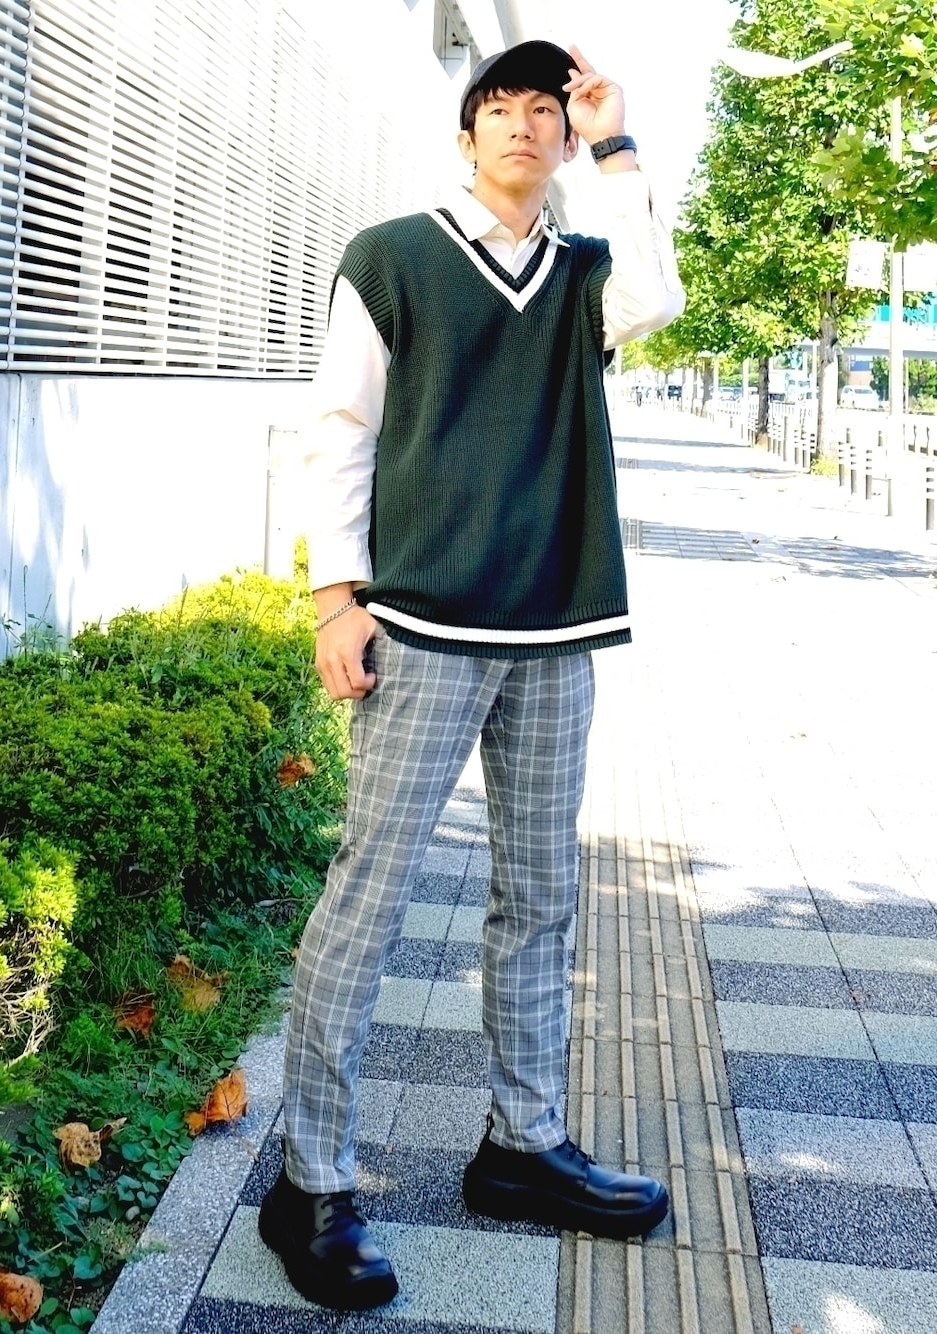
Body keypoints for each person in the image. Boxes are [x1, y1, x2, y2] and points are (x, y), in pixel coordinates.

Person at [258, 39, 685, 1311]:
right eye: (498, 107)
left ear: (562, 138)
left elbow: (655, 298)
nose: (522, 124)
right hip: (422, 622)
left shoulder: (587, 270)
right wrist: (335, 598)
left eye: (544, 110)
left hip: (554, 628)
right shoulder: (393, 257)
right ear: (465, 136)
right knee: (369, 896)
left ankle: (522, 1144)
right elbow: (338, 431)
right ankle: (311, 1180)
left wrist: (617, 142)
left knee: (540, 897)